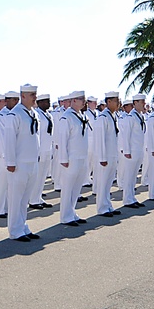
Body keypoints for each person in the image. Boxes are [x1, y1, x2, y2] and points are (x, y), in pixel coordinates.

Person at [2, 84, 42, 241]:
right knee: (15, 198)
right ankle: (14, 230)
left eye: (35, 94)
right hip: (19, 163)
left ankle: (22, 226)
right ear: (23, 96)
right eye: (32, 94)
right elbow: (10, 139)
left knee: (25, 198)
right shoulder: (15, 114)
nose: (34, 97)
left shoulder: (32, 113)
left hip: (32, 161)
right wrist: (10, 161)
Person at [55, 91, 90, 226]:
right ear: (73, 100)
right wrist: (63, 158)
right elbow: (63, 139)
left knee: (76, 188)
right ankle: (65, 216)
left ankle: (72, 212)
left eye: (84, 99)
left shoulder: (80, 115)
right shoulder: (67, 117)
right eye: (81, 99)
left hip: (82, 157)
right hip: (71, 158)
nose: (84, 101)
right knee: (68, 188)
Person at [93, 91, 122, 217]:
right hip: (105, 156)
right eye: (116, 100)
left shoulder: (113, 116)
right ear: (108, 102)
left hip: (112, 155)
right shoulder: (103, 117)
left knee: (109, 182)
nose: (118, 103)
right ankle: (102, 208)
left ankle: (108, 205)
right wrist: (102, 157)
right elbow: (100, 139)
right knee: (103, 182)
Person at [117, 94, 147, 209]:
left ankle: (132, 198)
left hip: (138, 150)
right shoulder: (130, 117)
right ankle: (127, 199)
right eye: (141, 102)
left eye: (144, 101)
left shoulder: (140, 116)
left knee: (133, 176)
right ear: (135, 103)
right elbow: (126, 135)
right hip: (132, 151)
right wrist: (127, 150)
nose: (144, 104)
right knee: (129, 176)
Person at [29, 93, 54, 210]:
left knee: (43, 175)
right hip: (40, 150)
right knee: (37, 176)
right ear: (39, 103)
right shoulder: (37, 115)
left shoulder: (48, 115)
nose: (48, 103)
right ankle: (33, 200)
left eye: (48, 101)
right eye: (45, 101)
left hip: (47, 149)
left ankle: (38, 197)